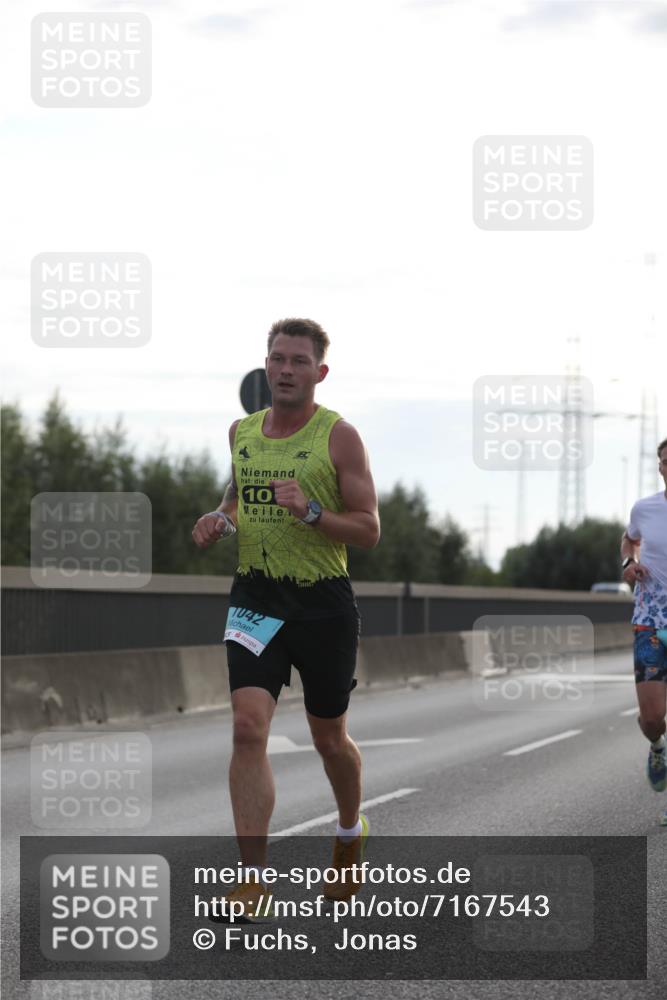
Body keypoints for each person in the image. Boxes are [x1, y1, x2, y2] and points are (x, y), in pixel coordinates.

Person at [192, 318, 381, 918]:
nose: (285, 370)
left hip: (323, 604)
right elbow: (239, 497)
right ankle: (252, 879)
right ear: (266, 364)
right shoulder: (242, 432)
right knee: (248, 728)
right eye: (277, 358)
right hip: (256, 597)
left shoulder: (340, 437)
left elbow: (369, 529)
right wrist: (220, 520)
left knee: (329, 738)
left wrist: (312, 512)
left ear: (319, 372)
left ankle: (349, 834)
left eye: (299, 361)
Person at [621, 437, 667, 826]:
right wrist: (628, 562)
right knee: (652, 718)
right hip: (650, 619)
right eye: (666, 462)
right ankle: (657, 746)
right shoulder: (645, 508)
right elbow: (630, 539)